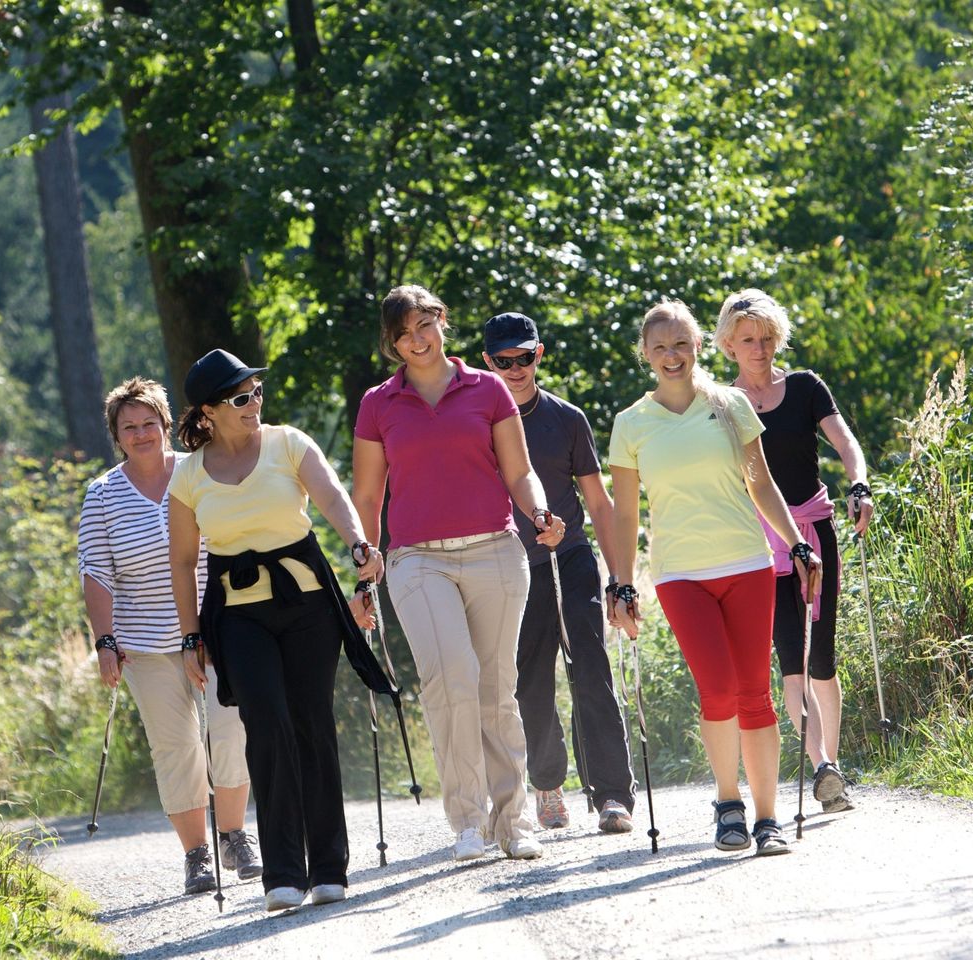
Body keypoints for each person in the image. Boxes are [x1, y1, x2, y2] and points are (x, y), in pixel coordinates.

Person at [352, 285, 567, 864]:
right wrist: (363, 558)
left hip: (495, 549)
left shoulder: (489, 388)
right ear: (392, 343)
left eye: (425, 325)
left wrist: (540, 512)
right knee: (451, 676)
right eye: (403, 334)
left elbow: (519, 472)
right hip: (416, 560)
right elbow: (368, 492)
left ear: (443, 322)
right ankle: (467, 821)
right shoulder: (379, 403)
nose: (417, 341)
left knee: (497, 688)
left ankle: (513, 820)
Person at [167, 349, 384, 913]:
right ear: (208, 412)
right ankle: (283, 872)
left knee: (312, 723)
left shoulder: (289, 442)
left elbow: (334, 497)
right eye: (240, 398)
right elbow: (183, 561)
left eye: (257, 390)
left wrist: (358, 542)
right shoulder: (188, 475)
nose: (254, 403)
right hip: (237, 616)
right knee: (266, 727)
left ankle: (329, 867)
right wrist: (191, 638)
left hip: (309, 603)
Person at [606, 298, 822, 856]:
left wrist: (797, 542)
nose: (671, 356)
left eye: (681, 344)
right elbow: (626, 514)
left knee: (755, 692)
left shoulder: (730, 406)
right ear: (646, 355)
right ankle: (729, 803)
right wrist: (621, 581)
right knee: (718, 687)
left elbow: (762, 484)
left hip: (747, 564)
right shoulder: (631, 424)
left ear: (699, 345)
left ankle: (767, 819)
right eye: (660, 347)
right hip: (680, 574)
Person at [77, 376, 261, 897]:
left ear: (165, 425)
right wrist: (105, 640)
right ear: (117, 436)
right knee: (176, 746)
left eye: (148, 424)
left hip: (217, 626)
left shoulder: (198, 472)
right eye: (128, 427)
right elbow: (97, 573)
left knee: (230, 729)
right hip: (146, 640)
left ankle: (234, 835)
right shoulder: (103, 496)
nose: (141, 434)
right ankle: (196, 856)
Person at [714, 288, 873, 813]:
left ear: (777, 339)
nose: (759, 349)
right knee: (791, 660)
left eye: (766, 339)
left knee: (821, 656)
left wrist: (859, 484)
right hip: (761, 544)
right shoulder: (720, 404)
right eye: (747, 341)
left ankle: (832, 761)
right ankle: (823, 767)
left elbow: (845, 442)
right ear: (729, 345)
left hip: (815, 532)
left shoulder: (805, 388)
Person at [480, 311, 637, 834]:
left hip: (568, 558)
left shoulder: (567, 419)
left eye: (523, 358)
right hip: (509, 564)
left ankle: (613, 795)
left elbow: (598, 500)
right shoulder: (478, 423)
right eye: (503, 361)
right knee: (530, 681)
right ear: (487, 363)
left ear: (539, 354)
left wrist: (619, 579)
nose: (515, 368)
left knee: (591, 666)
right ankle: (547, 785)